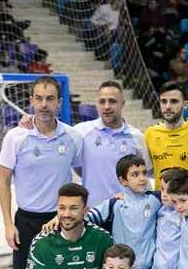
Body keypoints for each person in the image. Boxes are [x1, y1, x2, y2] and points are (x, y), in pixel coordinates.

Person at [0, 76, 84, 269]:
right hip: (26, 221)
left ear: (59, 103)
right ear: (31, 101)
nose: (44, 104)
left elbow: (83, 174)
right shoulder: (15, 137)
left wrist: (75, 213)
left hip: (62, 221)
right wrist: (9, 223)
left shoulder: (73, 137)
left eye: (50, 98)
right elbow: (4, 181)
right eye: (38, 98)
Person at [18, 81, 150, 208]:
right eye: (102, 101)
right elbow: (52, 129)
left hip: (127, 211)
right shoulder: (81, 131)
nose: (107, 106)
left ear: (123, 104)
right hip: (92, 212)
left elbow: (145, 176)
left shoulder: (136, 137)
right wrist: (31, 119)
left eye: (113, 101)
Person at [144, 81, 188, 189]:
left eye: (174, 101)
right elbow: (147, 172)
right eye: (164, 101)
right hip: (162, 202)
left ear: (185, 104)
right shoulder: (150, 133)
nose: (168, 106)